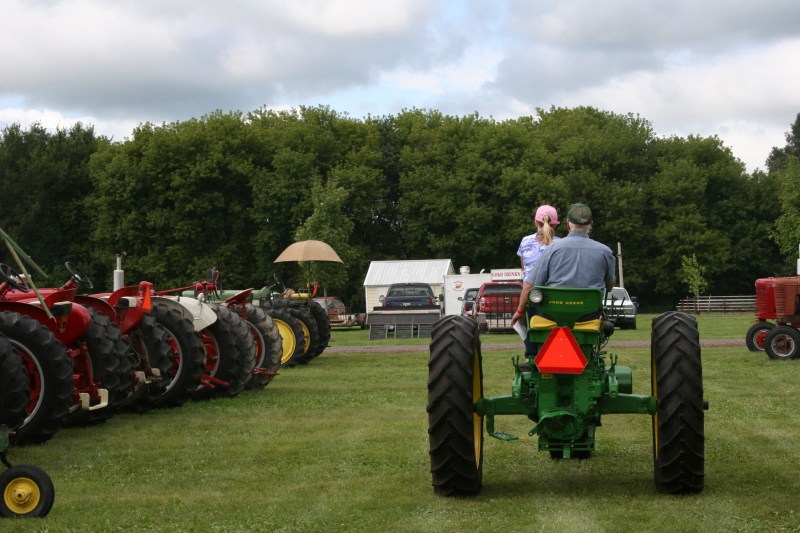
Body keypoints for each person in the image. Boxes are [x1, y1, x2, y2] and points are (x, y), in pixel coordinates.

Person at [511, 203, 615, 330]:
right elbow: (609, 286)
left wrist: (520, 311)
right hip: (589, 318)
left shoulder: (552, 249)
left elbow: (530, 285)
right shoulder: (605, 252)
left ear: (567, 225)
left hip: (551, 318)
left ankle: (534, 350)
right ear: (591, 224)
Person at [516, 205, 560, 280]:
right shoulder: (561, 243)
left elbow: (524, 269)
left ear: (535, 222)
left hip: (529, 290)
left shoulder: (525, 241)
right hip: (553, 289)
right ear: (555, 225)